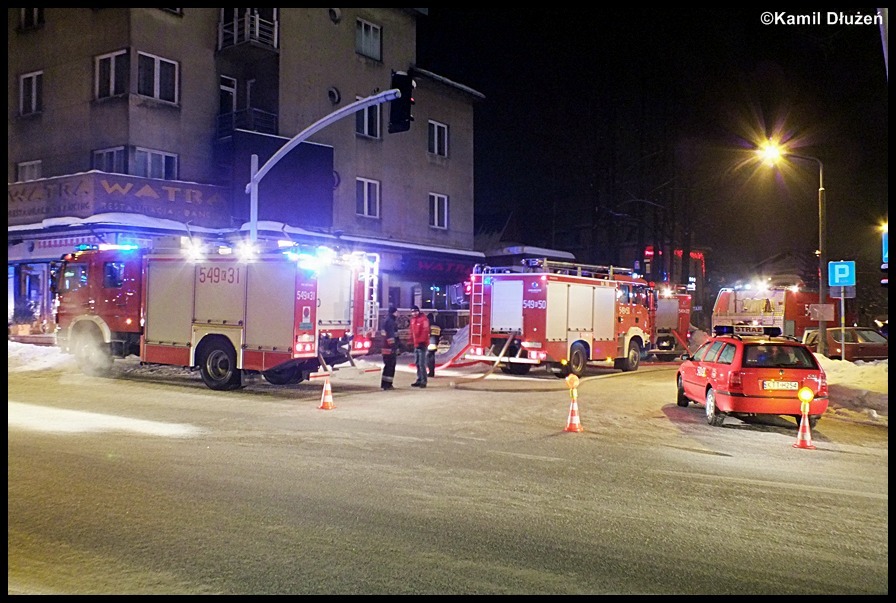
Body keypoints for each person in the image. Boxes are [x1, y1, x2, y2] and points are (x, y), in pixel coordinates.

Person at [408, 305, 430, 387]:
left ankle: (424, 381)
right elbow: (412, 332)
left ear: (418, 311)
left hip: (422, 345)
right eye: (412, 311)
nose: (413, 313)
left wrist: (422, 342)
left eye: (415, 311)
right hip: (416, 344)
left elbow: (425, 331)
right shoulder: (413, 320)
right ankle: (419, 379)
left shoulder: (423, 320)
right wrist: (410, 342)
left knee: (421, 363)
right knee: (417, 363)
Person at [379, 306, 399, 390]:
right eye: (397, 312)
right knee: (391, 366)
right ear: (394, 312)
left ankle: (384, 384)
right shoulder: (391, 322)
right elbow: (391, 336)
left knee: (387, 366)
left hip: (384, 347)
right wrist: (395, 347)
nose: (398, 314)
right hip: (390, 348)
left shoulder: (385, 321)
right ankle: (388, 384)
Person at [426, 312, 442, 378]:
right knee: (432, 358)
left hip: (430, 343)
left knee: (429, 358)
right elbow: (440, 335)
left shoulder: (428, 325)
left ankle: (430, 372)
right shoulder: (437, 326)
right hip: (435, 343)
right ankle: (432, 372)